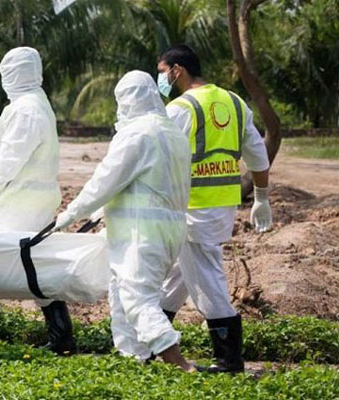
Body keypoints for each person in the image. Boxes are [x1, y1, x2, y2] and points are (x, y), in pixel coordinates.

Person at [54, 71, 195, 372]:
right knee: (121, 295)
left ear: (128, 101)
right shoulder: (172, 132)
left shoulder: (137, 133)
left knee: (138, 299)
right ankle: (134, 360)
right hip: (168, 228)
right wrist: (100, 212)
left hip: (142, 233)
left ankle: (181, 365)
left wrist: (71, 213)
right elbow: (147, 181)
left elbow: (105, 180)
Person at [155, 44, 272, 373]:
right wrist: (261, 197)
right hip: (221, 207)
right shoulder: (235, 103)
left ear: (177, 70)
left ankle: (228, 358)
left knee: (206, 280)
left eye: (161, 72)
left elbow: (159, 160)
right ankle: (150, 340)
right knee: (180, 275)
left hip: (193, 209)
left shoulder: (180, 109)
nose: (160, 79)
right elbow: (257, 155)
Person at [0, 47, 76, 355]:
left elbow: (7, 162)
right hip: (33, 201)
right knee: (33, 266)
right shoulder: (36, 103)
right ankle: (61, 334)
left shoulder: (26, 110)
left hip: (15, 202)